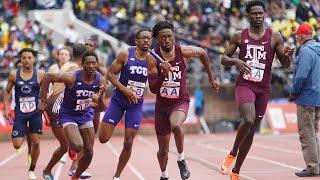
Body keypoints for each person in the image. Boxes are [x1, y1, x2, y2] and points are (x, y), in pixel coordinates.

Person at [219, 1, 294, 179]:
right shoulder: (239, 36)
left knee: (251, 131)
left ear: (264, 14)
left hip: (263, 88)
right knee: (248, 119)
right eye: (254, 13)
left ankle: (236, 171)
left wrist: (287, 56)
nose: (258, 16)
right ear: (248, 16)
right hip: (245, 85)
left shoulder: (274, 36)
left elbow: (284, 64)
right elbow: (223, 58)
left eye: (261, 13)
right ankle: (232, 152)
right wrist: (236, 61)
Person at [148, 20, 219, 180]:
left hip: (179, 101)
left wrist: (211, 77)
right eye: (163, 37)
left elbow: (202, 52)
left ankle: (181, 158)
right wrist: (163, 75)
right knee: (163, 151)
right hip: (161, 106)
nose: (167, 40)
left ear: (174, 37)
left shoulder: (183, 52)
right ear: (157, 39)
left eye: (170, 36)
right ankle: (164, 175)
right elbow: (153, 89)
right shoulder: (152, 58)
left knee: (176, 125)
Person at [40, 51, 106, 180]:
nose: (91, 66)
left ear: (97, 64)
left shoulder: (100, 79)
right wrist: (43, 101)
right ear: (82, 65)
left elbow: (102, 108)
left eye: (94, 63)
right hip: (68, 114)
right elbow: (47, 77)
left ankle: (75, 177)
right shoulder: (72, 77)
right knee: (77, 145)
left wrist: (98, 99)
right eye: (88, 63)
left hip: (85, 115)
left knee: (90, 152)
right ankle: (72, 144)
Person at [98, 28, 155, 180]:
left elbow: (156, 82)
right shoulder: (125, 54)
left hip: (135, 104)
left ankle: (117, 175)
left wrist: (162, 72)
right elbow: (110, 74)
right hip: (118, 101)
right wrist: (125, 90)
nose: (146, 41)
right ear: (136, 40)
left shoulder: (151, 59)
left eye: (149, 38)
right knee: (103, 138)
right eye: (143, 38)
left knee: (129, 140)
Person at [3, 48, 45, 180]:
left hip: (35, 112)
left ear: (34, 59)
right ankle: (27, 133)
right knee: (17, 144)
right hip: (20, 113)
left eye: (29, 58)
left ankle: (32, 169)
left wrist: (44, 105)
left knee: (36, 143)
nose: (27, 60)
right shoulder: (14, 75)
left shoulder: (40, 75)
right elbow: (6, 91)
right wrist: (6, 108)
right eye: (24, 58)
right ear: (20, 60)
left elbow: (45, 92)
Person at [291, 22, 320, 177]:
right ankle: (317, 165)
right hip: (318, 96)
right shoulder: (318, 49)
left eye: (297, 35)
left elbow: (301, 75)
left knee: (307, 133)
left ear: (302, 36)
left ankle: (312, 167)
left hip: (307, 97)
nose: (296, 37)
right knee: (314, 132)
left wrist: (294, 92)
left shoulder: (305, 51)